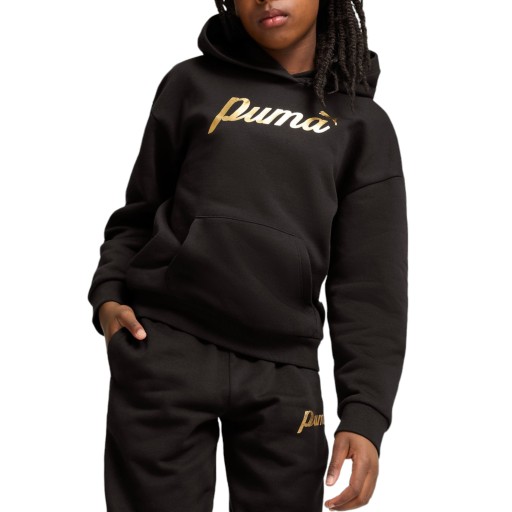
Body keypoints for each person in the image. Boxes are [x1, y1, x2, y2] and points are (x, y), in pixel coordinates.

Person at [87, 0, 408, 510]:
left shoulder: (361, 124)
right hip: (166, 349)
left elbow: (371, 282)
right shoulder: (191, 85)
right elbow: (140, 212)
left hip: (284, 372)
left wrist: (365, 413)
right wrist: (107, 296)